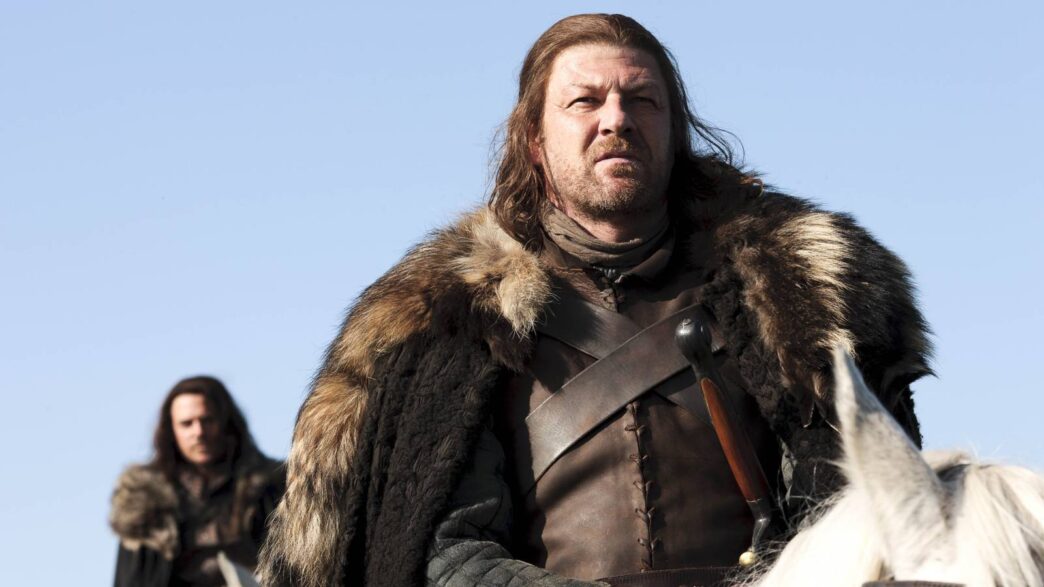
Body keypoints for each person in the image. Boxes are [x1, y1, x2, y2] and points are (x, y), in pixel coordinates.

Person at [258, 13, 930, 587]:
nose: (616, 120)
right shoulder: (455, 321)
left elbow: (846, 506)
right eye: (585, 101)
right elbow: (443, 547)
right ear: (535, 141)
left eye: (642, 100)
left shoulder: (789, 296)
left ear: (674, 132)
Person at [110, 376, 285, 587]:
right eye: (187, 424)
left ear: (226, 423)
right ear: (171, 431)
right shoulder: (144, 501)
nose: (198, 432)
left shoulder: (273, 488)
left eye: (207, 420)